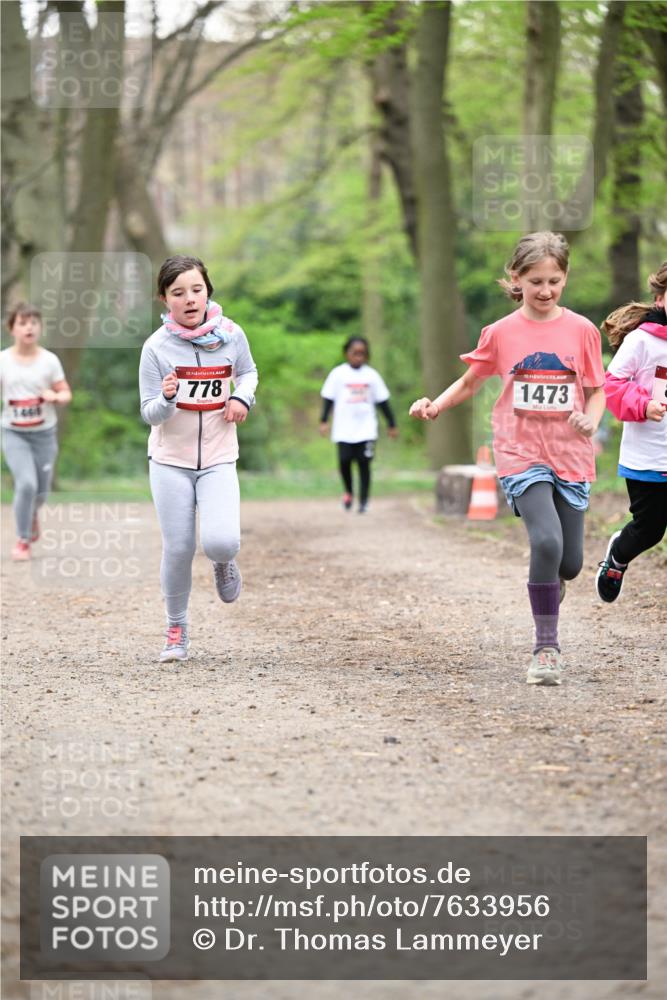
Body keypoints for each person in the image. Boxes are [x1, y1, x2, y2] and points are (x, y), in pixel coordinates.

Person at [409, 232, 606, 686]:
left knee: (570, 563)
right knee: (547, 543)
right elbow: (470, 381)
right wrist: (437, 405)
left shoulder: (582, 330)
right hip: (520, 451)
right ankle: (546, 648)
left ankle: (550, 584)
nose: (545, 291)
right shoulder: (501, 333)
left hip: (570, 454)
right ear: (516, 279)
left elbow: (597, 392)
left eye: (554, 281)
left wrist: (591, 420)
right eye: (535, 281)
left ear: (565, 277)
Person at [139, 255, 258, 663]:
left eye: (196, 289)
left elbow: (249, 372)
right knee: (179, 547)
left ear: (208, 292)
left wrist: (242, 397)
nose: (189, 299)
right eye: (178, 293)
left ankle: (223, 562)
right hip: (170, 460)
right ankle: (176, 628)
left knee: (221, 541)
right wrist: (167, 399)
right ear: (164, 299)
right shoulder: (156, 348)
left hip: (219, 456)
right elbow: (149, 412)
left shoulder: (231, 335)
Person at [595, 261, 667, 603]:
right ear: (660, 298)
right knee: (650, 530)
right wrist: (643, 405)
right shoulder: (642, 341)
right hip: (649, 457)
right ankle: (618, 558)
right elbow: (612, 386)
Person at [0, 302, 71, 561]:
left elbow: (66, 393)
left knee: (40, 491)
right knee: (26, 484)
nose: (29, 327)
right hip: (14, 433)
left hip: (44, 434)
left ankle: (31, 516)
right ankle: (23, 540)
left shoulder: (49, 361)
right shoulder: (3, 360)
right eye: (22, 323)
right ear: (12, 329)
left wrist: (55, 396)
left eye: (33, 323)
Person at [319, 336, 398, 513]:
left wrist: (391, 424)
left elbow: (383, 402)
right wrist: (323, 421)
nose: (358, 357)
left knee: (364, 463)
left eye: (362, 353)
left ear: (367, 355)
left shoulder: (372, 376)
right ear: (346, 354)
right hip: (344, 428)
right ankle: (348, 492)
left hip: (366, 428)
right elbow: (328, 399)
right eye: (355, 353)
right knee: (344, 461)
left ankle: (363, 501)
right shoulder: (338, 374)